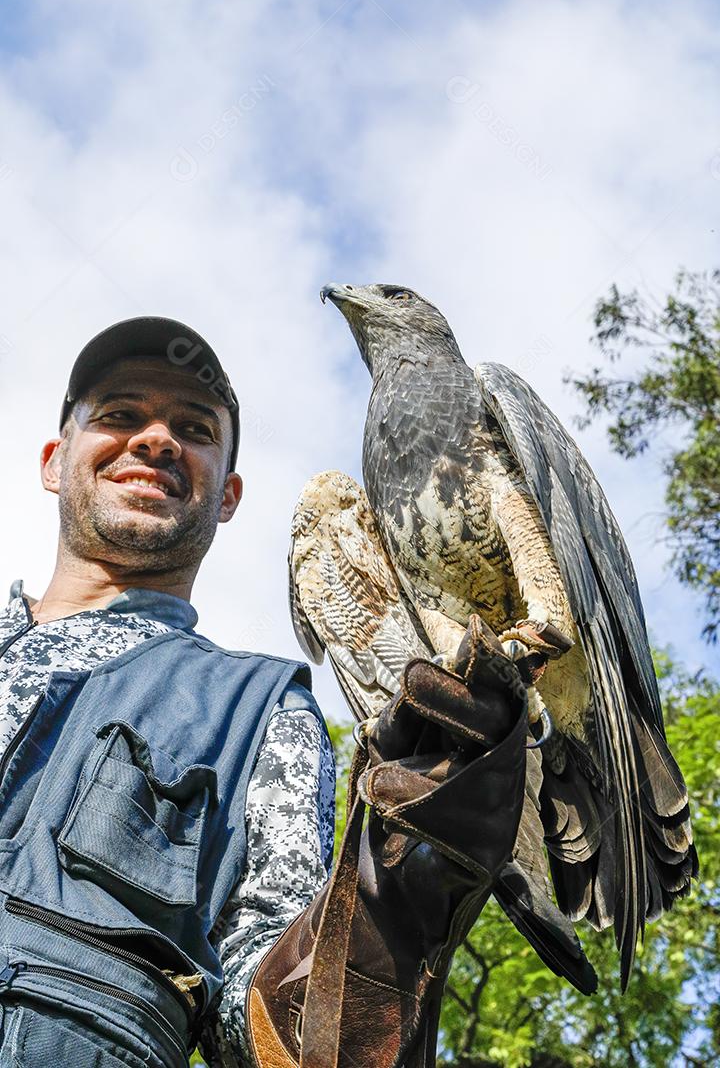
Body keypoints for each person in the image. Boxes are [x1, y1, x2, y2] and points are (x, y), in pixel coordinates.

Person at [0, 316, 527, 1068]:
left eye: (194, 429)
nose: (155, 440)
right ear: (55, 461)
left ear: (228, 496)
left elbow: (271, 1034)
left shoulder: (262, 710)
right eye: (119, 416)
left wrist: (391, 900)